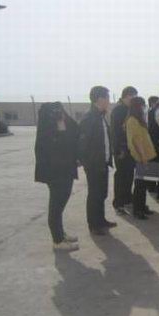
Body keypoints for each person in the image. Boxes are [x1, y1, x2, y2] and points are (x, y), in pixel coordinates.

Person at [35, 102, 80, 250]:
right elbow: (60, 146)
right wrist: (60, 126)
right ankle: (58, 241)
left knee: (59, 206)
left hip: (64, 171)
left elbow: (75, 131)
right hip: (56, 174)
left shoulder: (57, 127)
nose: (61, 115)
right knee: (56, 206)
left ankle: (60, 234)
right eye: (57, 112)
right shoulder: (48, 131)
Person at [79, 86, 116, 235]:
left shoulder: (100, 116)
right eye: (107, 98)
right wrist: (89, 163)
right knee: (95, 194)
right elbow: (83, 144)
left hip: (102, 162)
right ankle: (94, 225)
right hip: (94, 164)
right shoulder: (89, 118)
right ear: (99, 99)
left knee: (101, 194)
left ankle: (101, 220)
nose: (109, 101)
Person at [126, 96, 157, 219]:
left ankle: (143, 206)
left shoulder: (138, 119)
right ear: (137, 107)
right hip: (142, 157)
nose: (144, 108)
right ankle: (138, 209)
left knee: (144, 184)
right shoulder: (132, 120)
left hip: (147, 155)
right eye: (142, 105)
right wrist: (143, 158)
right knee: (140, 185)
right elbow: (136, 140)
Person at [110, 86, 138, 216]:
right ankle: (118, 203)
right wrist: (118, 149)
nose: (134, 100)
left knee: (129, 175)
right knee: (121, 176)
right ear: (126, 96)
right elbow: (115, 132)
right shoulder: (118, 110)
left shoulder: (128, 109)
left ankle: (127, 198)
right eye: (133, 97)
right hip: (121, 149)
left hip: (129, 148)